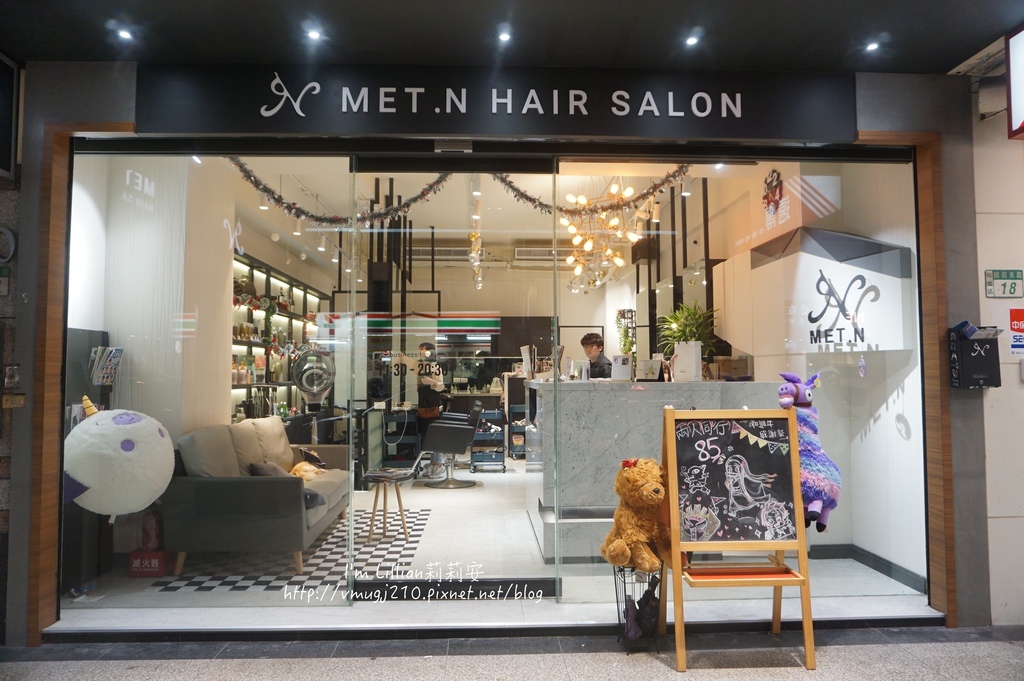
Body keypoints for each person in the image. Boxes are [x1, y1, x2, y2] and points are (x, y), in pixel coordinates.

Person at [396, 342, 447, 434]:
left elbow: (441, 386)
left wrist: (432, 382)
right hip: (422, 406)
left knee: (433, 433)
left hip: (434, 407)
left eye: (423, 349)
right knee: (422, 432)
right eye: (420, 349)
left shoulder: (435, 367)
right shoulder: (417, 365)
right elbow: (404, 358)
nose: (420, 351)